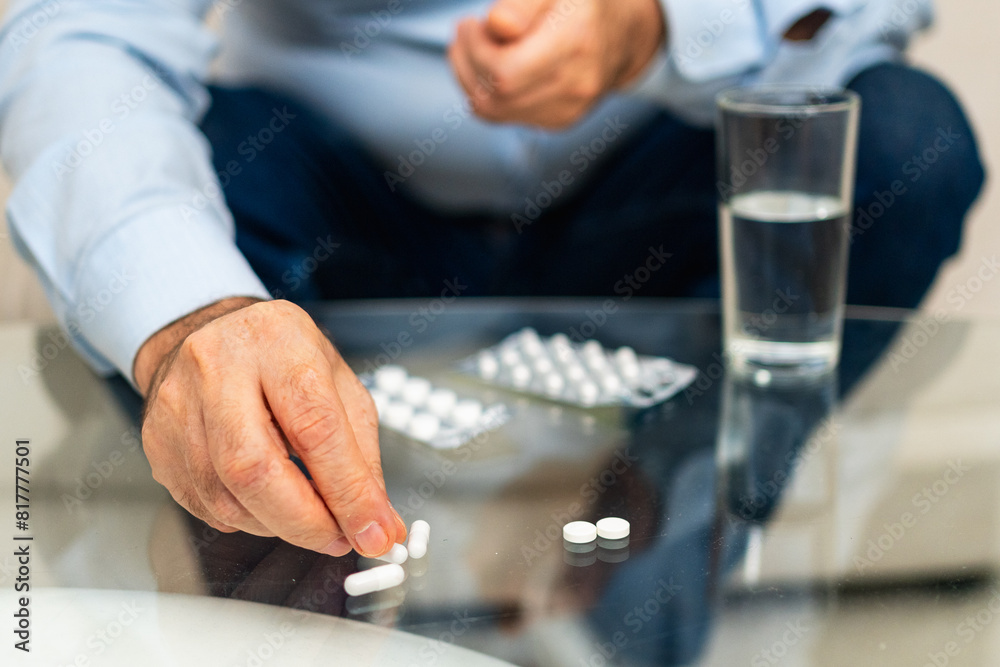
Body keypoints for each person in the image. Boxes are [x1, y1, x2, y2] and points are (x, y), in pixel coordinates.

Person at [0, 0, 984, 558]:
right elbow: (82, 33)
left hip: (646, 205)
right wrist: (192, 311)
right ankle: (284, 560)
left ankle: (670, 536)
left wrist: (659, 27)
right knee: (177, 187)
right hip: (335, 219)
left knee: (905, 140)